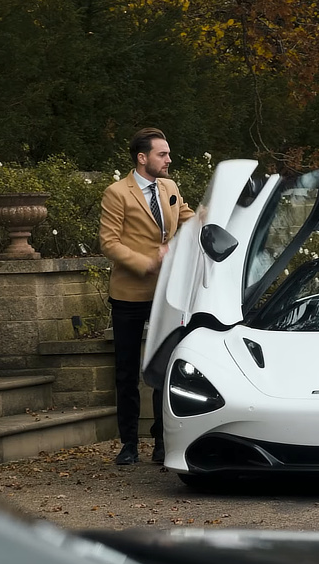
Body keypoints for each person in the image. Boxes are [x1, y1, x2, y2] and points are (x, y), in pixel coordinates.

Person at [99, 128, 195, 465]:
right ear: (142, 158)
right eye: (162, 154)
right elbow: (109, 242)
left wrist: (215, 215)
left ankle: (161, 443)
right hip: (128, 294)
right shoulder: (116, 193)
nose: (169, 159)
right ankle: (128, 445)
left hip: (166, 295)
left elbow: (190, 221)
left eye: (168, 153)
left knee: (164, 369)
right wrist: (147, 262)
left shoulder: (170, 187)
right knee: (126, 372)